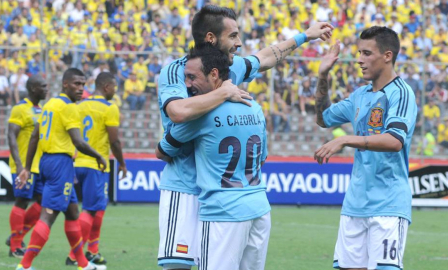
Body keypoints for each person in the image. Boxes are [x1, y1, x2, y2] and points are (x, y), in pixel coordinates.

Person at [156, 5, 332, 270]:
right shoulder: (178, 71)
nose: (239, 43)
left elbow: (266, 57)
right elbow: (178, 112)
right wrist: (224, 93)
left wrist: (304, 36)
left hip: (220, 193)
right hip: (185, 187)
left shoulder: (231, 67)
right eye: (233, 36)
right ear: (212, 38)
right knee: (176, 266)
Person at [157, 42, 270, 270]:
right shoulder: (254, 107)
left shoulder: (199, 116)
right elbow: (263, 158)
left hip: (222, 211)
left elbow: (163, 151)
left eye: (191, 77)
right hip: (259, 209)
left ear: (214, 74)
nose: (187, 85)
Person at [314, 26, 416, 270]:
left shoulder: (401, 93)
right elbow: (323, 118)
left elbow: (394, 140)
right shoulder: (360, 95)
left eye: (367, 53)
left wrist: (346, 140)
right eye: (359, 52)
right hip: (354, 205)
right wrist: (322, 76)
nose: (359, 60)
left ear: (387, 56)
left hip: (388, 206)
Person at [15, 68, 107, 270]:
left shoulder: (50, 104)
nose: (81, 88)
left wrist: (28, 168)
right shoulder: (68, 107)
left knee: (73, 213)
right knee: (49, 215)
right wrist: (99, 155)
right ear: (65, 84)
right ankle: (24, 265)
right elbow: (78, 141)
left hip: (48, 161)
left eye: (83, 84)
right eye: (76, 84)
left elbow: (34, 136)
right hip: (60, 163)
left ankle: (83, 264)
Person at [65, 72, 128, 266]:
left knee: (99, 207)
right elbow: (114, 141)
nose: (115, 91)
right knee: (91, 210)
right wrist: (122, 163)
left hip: (78, 162)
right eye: (115, 87)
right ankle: (74, 254)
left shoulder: (80, 105)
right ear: (107, 87)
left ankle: (92, 250)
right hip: (96, 165)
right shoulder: (109, 108)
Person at [6, 74, 48, 258]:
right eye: (43, 86)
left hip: (40, 165)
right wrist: (19, 165)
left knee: (43, 203)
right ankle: (15, 246)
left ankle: (18, 235)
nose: (46, 89)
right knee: (22, 201)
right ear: (33, 89)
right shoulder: (20, 109)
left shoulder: (43, 109)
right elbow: (11, 136)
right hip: (24, 165)